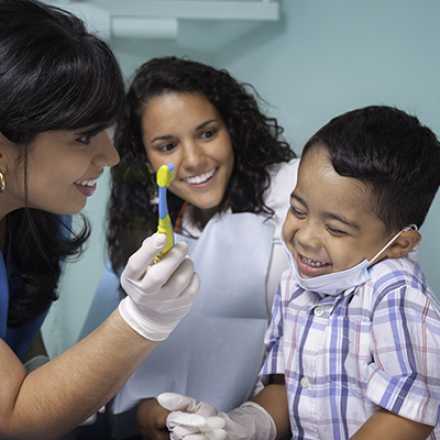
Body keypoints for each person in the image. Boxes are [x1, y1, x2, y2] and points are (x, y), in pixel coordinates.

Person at [159, 105, 440, 440]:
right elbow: (286, 390)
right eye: (298, 210)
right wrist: (239, 426)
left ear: (399, 244)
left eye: (336, 229)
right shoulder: (295, 282)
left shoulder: (395, 293)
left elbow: (409, 416)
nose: (304, 237)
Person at [0, 2, 199, 439]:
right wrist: (142, 320)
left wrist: (43, 371)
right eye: (83, 136)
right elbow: (13, 419)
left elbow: (14, 316)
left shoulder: (36, 215)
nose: (109, 157)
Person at [79, 56, 299, 438]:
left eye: (207, 133)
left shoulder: (292, 196)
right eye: (167, 146)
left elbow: (309, 364)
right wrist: (149, 412)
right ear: (145, 160)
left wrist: (245, 427)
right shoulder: (155, 227)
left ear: (233, 127)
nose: (194, 159)